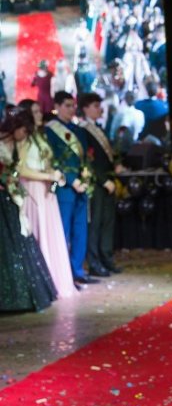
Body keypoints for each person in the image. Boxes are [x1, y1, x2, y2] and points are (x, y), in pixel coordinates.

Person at [15, 100, 75, 299]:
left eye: (39, 111)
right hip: (32, 189)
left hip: (46, 190)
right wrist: (47, 176)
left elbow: (46, 163)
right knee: (38, 232)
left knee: (51, 233)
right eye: (35, 112)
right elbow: (21, 170)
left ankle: (55, 282)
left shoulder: (40, 136)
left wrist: (55, 174)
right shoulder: (24, 138)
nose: (40, 114)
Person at [0, 109, 57, 312]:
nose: (24, 135)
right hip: (4, 196)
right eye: (23, 130)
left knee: (20, 242)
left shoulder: (14, 144)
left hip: (10, 196)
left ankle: (24, 296)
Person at [44, 91, 97, 287]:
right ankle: (63, 274)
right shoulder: (49, 131)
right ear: (57, 106)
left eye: (73, 105)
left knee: (80, 230)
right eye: (67, 105)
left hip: (81, 185)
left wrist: (85, 176)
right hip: (64, 186)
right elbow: (51, 160)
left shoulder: (79, 130)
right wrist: (72, 179)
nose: (71, 109)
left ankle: (77, 270)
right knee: (63, 230)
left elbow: (85, 158)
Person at [76, 91, 122, 276]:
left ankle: (107, 258)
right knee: (95, 223)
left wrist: (116, 165)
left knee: (107, 222)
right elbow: (88, 160)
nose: (99, 109)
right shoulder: (83, 130)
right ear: (85, 108)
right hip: (96, 183)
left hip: (108, 180)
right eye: (95, 106)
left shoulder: (99, 128)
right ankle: (94, 263)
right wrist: (103, 180)